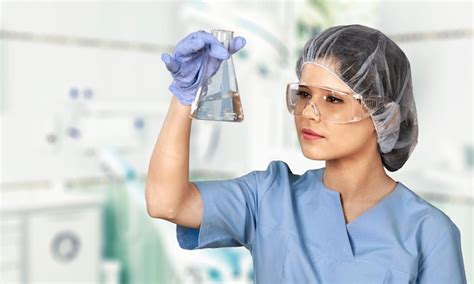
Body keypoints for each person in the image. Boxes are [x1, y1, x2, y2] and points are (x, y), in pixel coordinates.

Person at [145, 26, 467, 283]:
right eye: (303, 94)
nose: (308, 113)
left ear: (385, 117)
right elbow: (166, 201)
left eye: (333, 99)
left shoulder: (430, 234)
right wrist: (185, 97)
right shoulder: (269, 197)